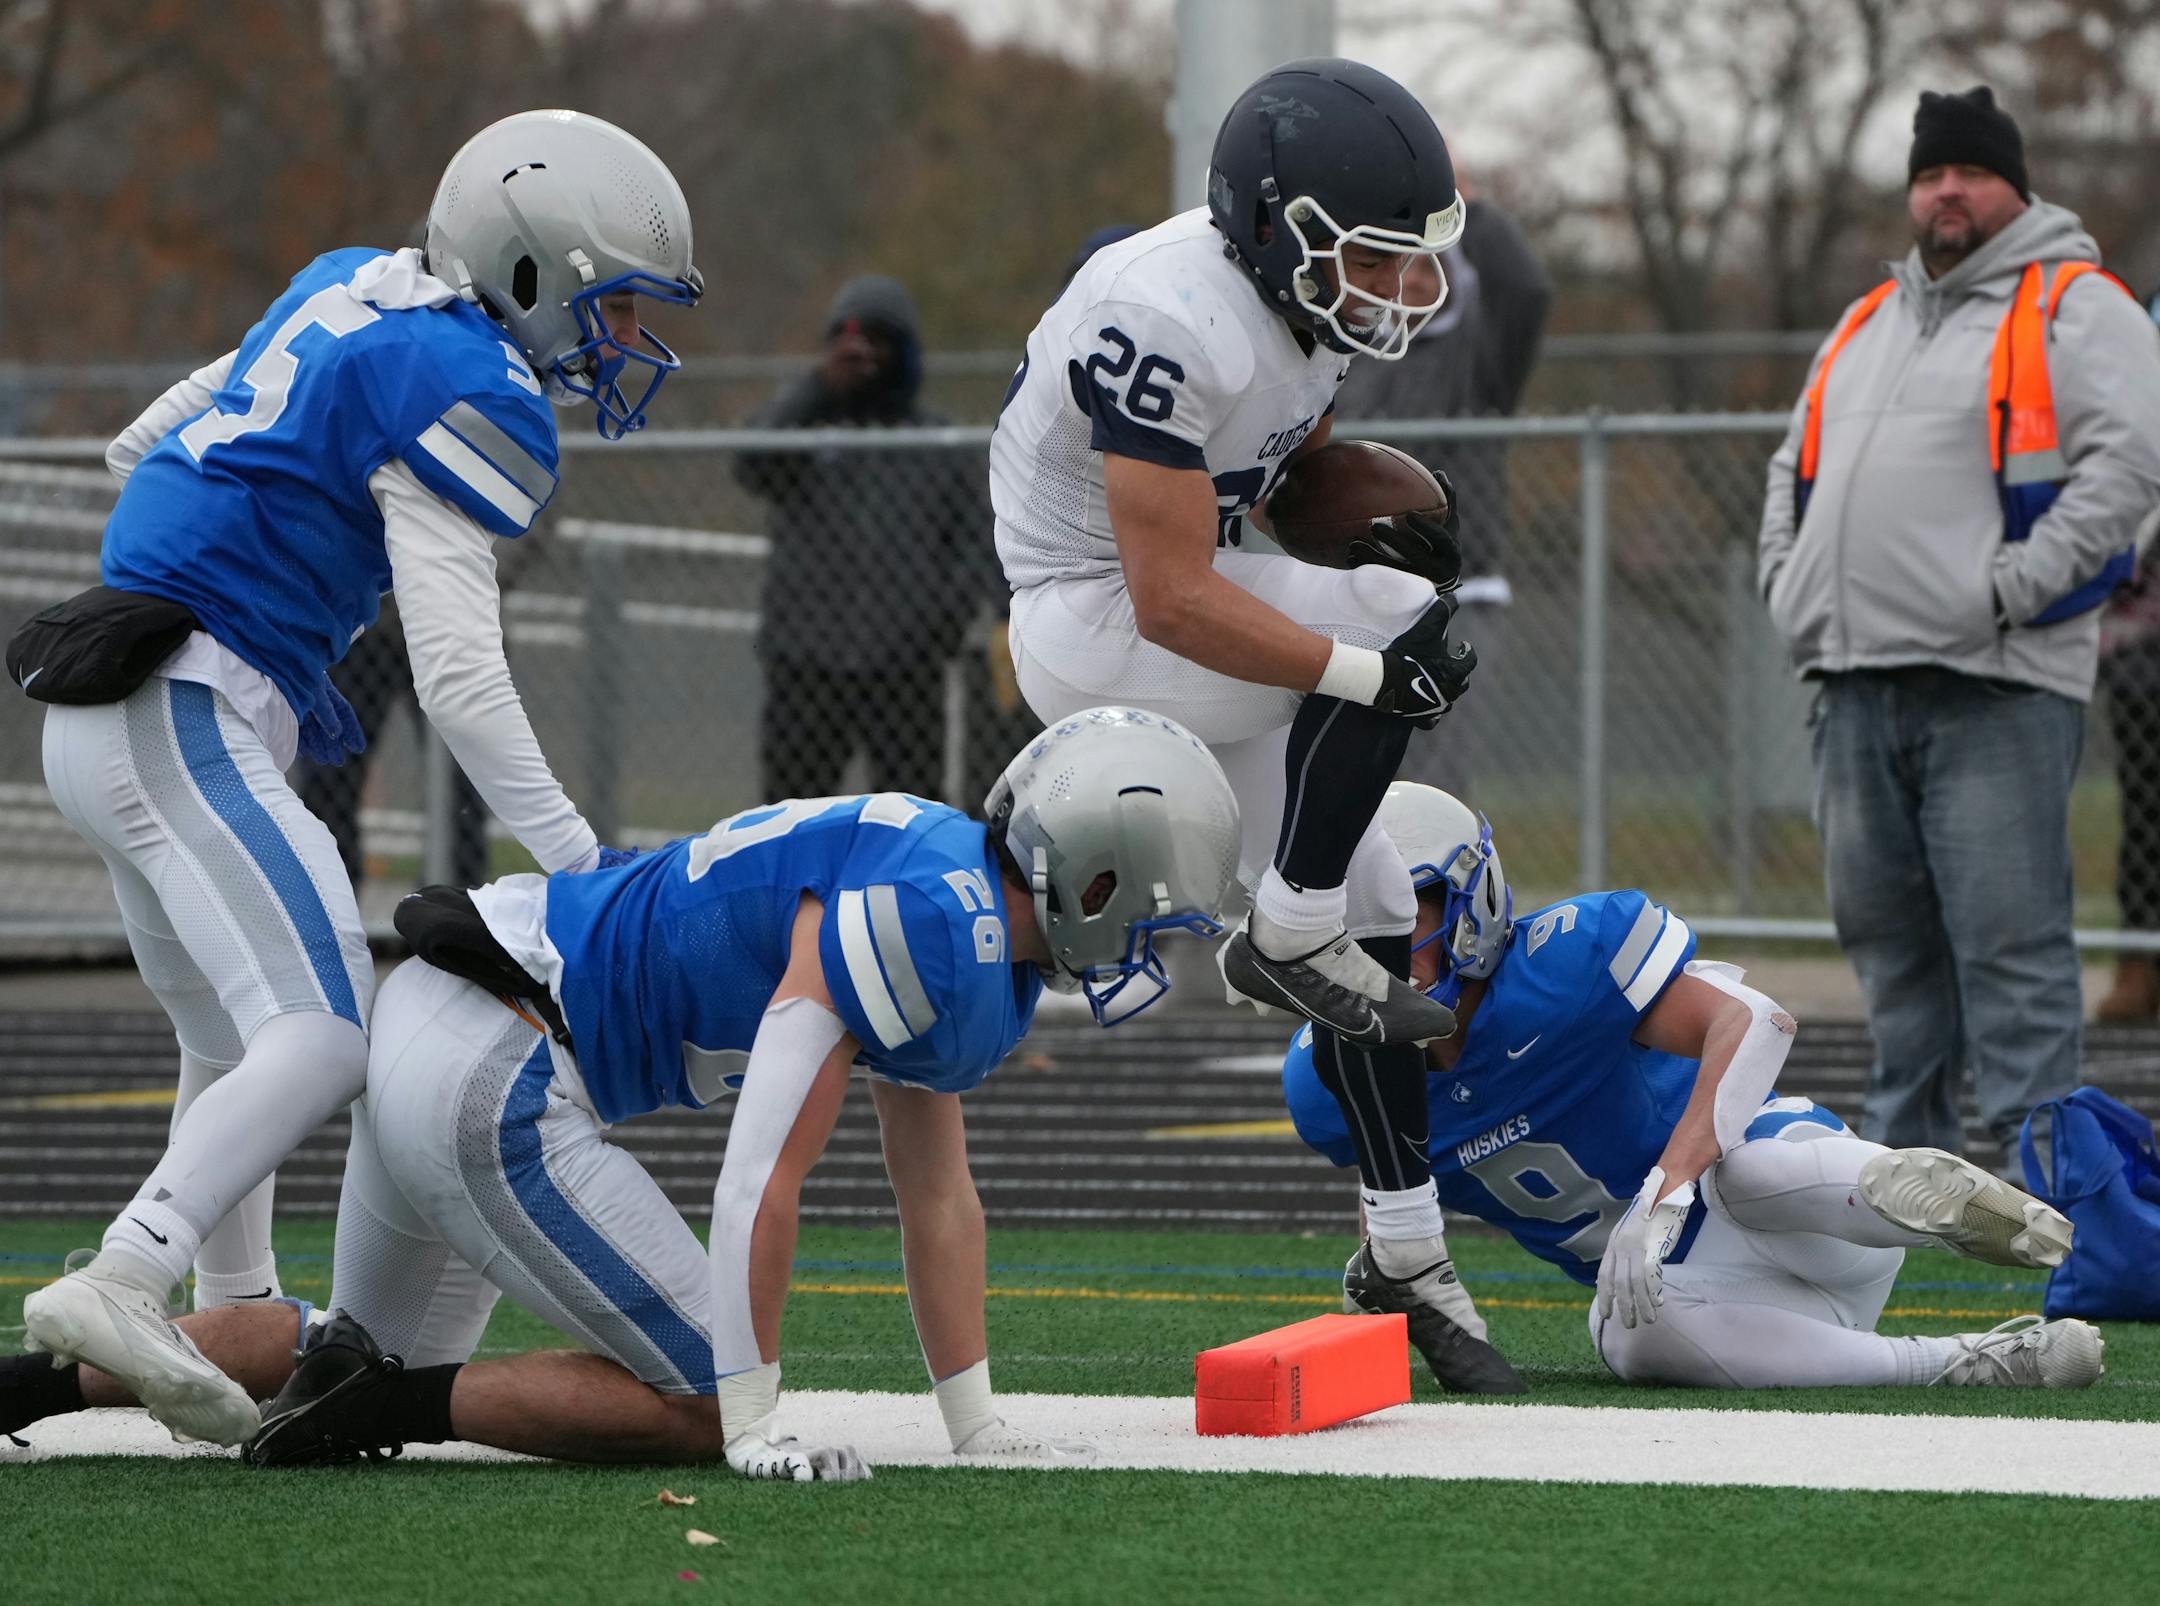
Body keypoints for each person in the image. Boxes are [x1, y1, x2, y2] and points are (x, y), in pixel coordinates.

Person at [0, 709, 1242, 1472]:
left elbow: (940, 1192)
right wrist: (747, 1415)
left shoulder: (954, 906)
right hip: (506, 1052)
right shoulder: (941, 918)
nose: (1155, 940)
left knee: (337, 1348)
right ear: (1095, 882)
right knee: (699, 1396)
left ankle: (25, 1386)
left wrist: (976, 1423)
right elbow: (764, 1162)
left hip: (456, 1012)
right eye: (1158, 912)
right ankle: (394, 1403)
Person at [14, 110, 704, 1447]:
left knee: (231, 1035)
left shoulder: (351, 280)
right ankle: (126, 1271)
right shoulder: (470, 388)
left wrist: (243, 526)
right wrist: (579, 860)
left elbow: (155, 428)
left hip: (126, 690)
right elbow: (457, 681)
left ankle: (232, 1309)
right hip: (189, 697)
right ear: (529, 270)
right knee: (327, 1025)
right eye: (613, 307)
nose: (626, 343)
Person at [991, 57, 1486, 1373]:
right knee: (1395, 636)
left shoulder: (1288, 305)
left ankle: (1409, 1255)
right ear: (1276, 226)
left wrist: (1358, 512)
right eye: (1366, 260)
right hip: (1094, 611)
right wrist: (1366, 659)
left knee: (1382, 901)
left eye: (1405, 261)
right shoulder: (1168, 312)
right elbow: (1166, 593)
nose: (1391, 290)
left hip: (1181, 588)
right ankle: (1284, 930)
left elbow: (1266, 488)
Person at [1283, 783, 2105, 1391]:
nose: (1381, 951)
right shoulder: (1330, 1072)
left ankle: (1929, 1207)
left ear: (1472, 901)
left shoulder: (1562, 966)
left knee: (1742, 1171)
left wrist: (1666, 1190)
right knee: (1625, 1335)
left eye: (1403, 919)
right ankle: (1966, 1364)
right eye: (1354, 930)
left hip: (1810, 1212)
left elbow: (1755, 1018)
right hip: (1711, 1297)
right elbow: (1390, 1178)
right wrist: (1383, 1269)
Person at [1756, 86, 2160, 1164]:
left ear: (2013, 188)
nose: (1946, 191)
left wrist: (2008, 591)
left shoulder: (2077, 303)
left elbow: (2128, 473)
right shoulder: (1865, 322)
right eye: (1930, 173)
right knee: (1890, 957)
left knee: (2012, 954)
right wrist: (1786, 586)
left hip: (1997, 685)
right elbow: (1788, 475)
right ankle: (1906, 1186)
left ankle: (2053, 1193)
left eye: (1969, 172)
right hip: (1851, 682)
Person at [736, 275, 999, 800]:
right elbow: (751, 465)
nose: (864, 355)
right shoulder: (805, 430)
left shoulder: (937, 442)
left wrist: (936, 628)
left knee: (907, 819)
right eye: (851, 341)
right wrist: (820, 386)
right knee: (793, 818)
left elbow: (976, 544)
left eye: (879, 341)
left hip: (904, 670)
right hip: (807, 665)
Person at [1333, 186, 1552, 797]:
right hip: (1346, 600)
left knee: (1429, 795)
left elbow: (1526, 289)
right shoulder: (1342, 355)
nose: (1411, 280)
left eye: (1427, 264)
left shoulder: (1479, 360)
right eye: (1396, 263)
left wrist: (1456, 200)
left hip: (1454, 598)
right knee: (1342, 786)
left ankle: (1425, 894)